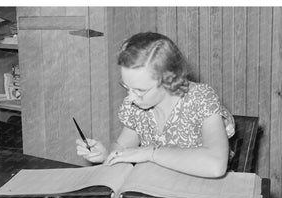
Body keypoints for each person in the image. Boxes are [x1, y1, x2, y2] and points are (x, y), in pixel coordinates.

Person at [76, 32, 235, 178]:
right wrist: (106, 155)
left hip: (199, 194)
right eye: (126, 87)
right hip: (156, 187)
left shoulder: (200, 99)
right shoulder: (137, 105)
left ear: (169, 79)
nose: (130, 97)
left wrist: (151, 153)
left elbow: (216, 165)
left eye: (140, 90)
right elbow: (123, 149)